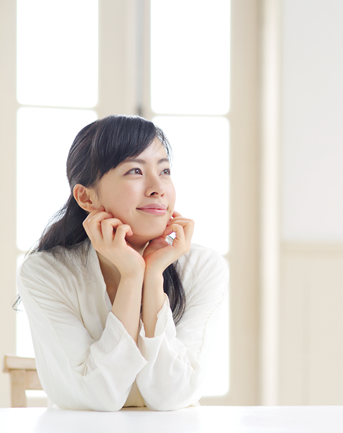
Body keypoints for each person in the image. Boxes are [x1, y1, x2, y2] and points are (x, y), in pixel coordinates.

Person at [15, 115, 229, 411]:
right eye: (135, 171)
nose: (158, 188)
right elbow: (98, 397)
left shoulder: (203, 267)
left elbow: (174, 395)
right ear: (87, 197)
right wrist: (132, 276)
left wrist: (153, 276)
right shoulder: (46, 272)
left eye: (164, 170)